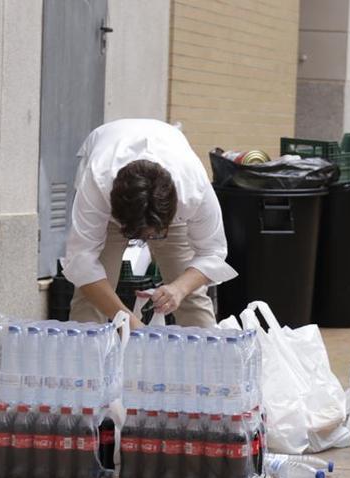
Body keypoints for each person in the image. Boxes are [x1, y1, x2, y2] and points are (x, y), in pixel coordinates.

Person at [62, 119, 238, 330]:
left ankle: (208, 356)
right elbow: (81, 262)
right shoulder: (97, 183)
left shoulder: (193, 190)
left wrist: (179, 289)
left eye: (155, 234)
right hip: (110, 195)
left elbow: (212, 252)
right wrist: (128, 320)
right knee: (90, 295)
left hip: (169, 203)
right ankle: (82, 358)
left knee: (191, 293)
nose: (145, 240)